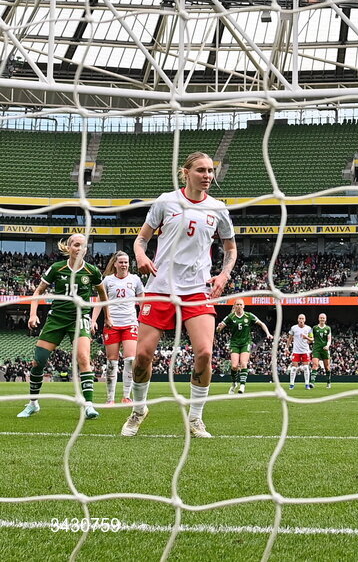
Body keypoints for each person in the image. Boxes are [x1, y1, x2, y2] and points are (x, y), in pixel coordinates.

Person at [121, 152, 237, 439]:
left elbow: (231, 249)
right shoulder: (166, 201)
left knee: (205, 352)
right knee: (143, 357)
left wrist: (223, 275)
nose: (208, 175)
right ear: (186, 173)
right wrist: (141, 256)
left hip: (197, 290)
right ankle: (138, 410)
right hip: (160, 288)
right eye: (201, 170)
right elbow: (141, 239)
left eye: (211, 171)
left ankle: (195, 418)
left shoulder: (218, 208)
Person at [17, 234, 107, 419]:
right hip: (56, 318)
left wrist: (104, 318)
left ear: (85, 249)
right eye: (75, 244)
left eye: (82, 245)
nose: (79, 248)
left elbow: (103, 296)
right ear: (69, 247)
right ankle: (33, 403)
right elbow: (38, 291)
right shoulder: (57, 268)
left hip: (79, 318)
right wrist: (33, 314)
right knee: (38, 361)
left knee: (83, 358)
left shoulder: (92, 271)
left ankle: (88, 405)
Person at [100, 251, 144, 405]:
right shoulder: (107, 281)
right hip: (112, 324)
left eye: (126, 262)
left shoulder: (135, 280)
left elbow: (143, 301)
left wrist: (145, 320)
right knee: (112, 363)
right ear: (115, 264)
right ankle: (110, 398)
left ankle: (126, 396)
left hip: (130, 323)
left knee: (130, 360)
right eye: (121, 262)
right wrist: (94, 321)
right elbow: (100, 303)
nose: (124, 265)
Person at [217, 299, 271, 395]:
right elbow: (219, 330)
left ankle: (242, 385)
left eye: (241, 304)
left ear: (244, 306)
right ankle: (234, 384)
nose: (239, 306)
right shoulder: (230, 316)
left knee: (243, 363)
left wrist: (268, 333)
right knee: (234, 366)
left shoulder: (249, 316)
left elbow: (261, 323)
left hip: (246, 343)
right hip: (234, 343)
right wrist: (218, 327)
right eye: (237, 304)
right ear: (234, 306)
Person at [286, 314, 314, 390]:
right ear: (298, 319)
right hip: (296, 351)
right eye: (300, 318)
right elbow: (289, 339)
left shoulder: (308, 328)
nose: (301, 320)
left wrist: (306, 337)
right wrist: (286, 348)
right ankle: (291, 384)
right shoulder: (293, 328)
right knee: (294, 368)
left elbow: (312, 339)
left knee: (306, 367)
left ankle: (307, 384)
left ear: (305, 320)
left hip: (305, 351)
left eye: (302, 318)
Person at [310, 313, 332, 389]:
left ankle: (328, 382)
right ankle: (312, 383)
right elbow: (312, 338)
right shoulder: (315, 328)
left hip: (324, 349)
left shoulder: (328, 328)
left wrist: (327, 345)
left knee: (327, 367)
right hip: (316, 348)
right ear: (318, 319)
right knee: (315, 365)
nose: (322, 319)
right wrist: (308, 339)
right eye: (321, 318)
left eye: (323, 318)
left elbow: (329, 339)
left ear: (325, 319)